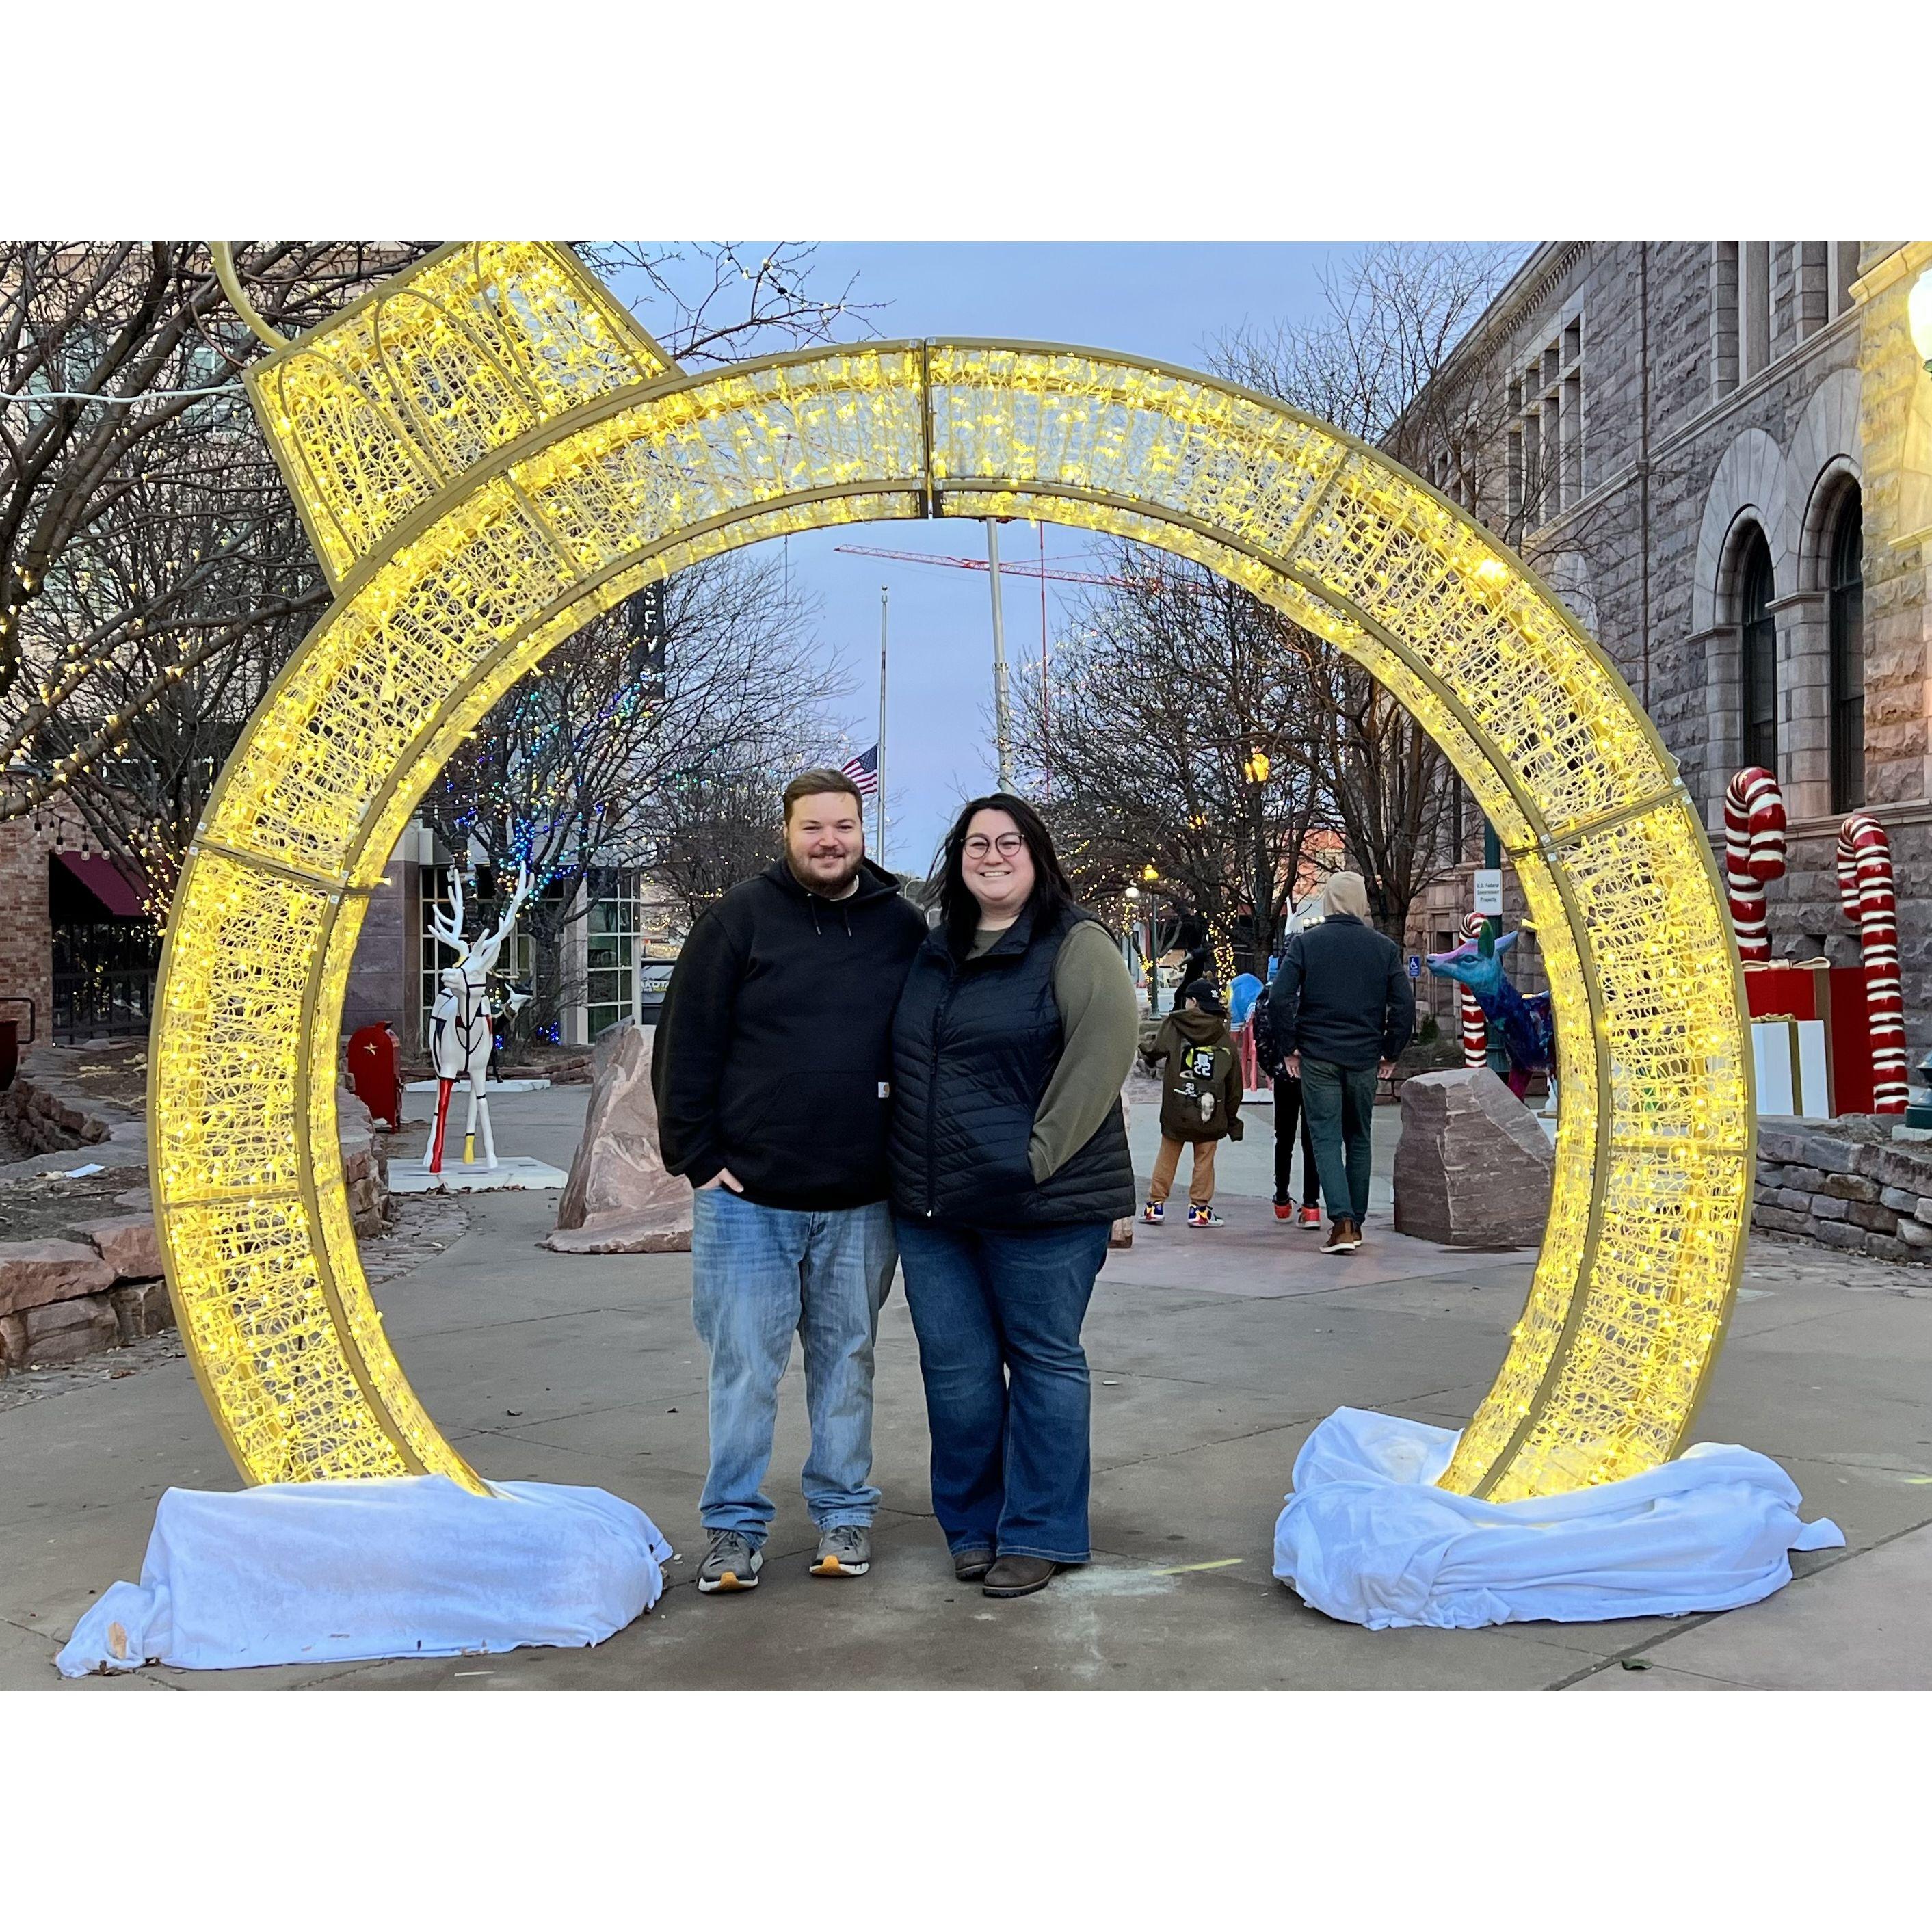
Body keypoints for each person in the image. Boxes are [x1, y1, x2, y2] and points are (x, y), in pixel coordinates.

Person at [652, 768, 926, 1594]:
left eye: (843, 825)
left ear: (861, 829)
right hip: (750, 1203)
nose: (829, 840)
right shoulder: (738, 918)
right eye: (813, 826)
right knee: (743, 1367)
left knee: (848, 1358)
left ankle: (844, 1510)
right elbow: (685, 1041)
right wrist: (697, 1156)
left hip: (859, 1199)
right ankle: (732, 1528)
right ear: (787, 830)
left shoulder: (900, 926)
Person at [889, 794, 1139, 1600]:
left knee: (1042, 1362)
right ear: (955, 857)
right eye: (973, 843)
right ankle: (972, 1526)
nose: (990, 855)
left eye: (1008, 842)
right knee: (956, 1373)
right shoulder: (935, 949)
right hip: (933, 1206)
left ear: (1035, 855)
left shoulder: (1076, 943)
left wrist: (1031, 1161)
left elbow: (1100, 1060)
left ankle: (1038, 1531)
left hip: (1042, 1205)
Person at [1265, 871, 1414, 1256]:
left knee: (1325, 1136)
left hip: (1318, 1056)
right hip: (1365, 1056)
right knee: (1359, 1136)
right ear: (1362, 902)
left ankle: (1342, 1222)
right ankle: (1357, 1222)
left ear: (1330, 901)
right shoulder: (1383, 948)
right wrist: (1391, 1050)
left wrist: (1290, 1047)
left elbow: (1280, 998)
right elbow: (1404, 1005)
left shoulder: (1306, 944)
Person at [1139, 978, 1243, 1228]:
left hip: (1178, 1106)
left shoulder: (1175, 1025)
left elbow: (1154, 1049)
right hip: (1211, 1109)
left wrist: (1145, 1051)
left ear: (1193, 1002)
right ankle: (1199, 1210)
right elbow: (1234, 1084)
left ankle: (1155, 1206)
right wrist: (1231, 1118)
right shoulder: (1223, 1036)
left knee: (1168, 1154)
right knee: (1204, 1159)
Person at [1251, 984, 1322, 1228]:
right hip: (1316, 1073)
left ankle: (1282, 1199)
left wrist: (1274, 1067)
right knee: (1312, 1138)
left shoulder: (1272, 993)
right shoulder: (1320, 988)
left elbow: (1261, 1035)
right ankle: (1311, 1205)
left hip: (1285, 1074)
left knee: (1284, 1138)